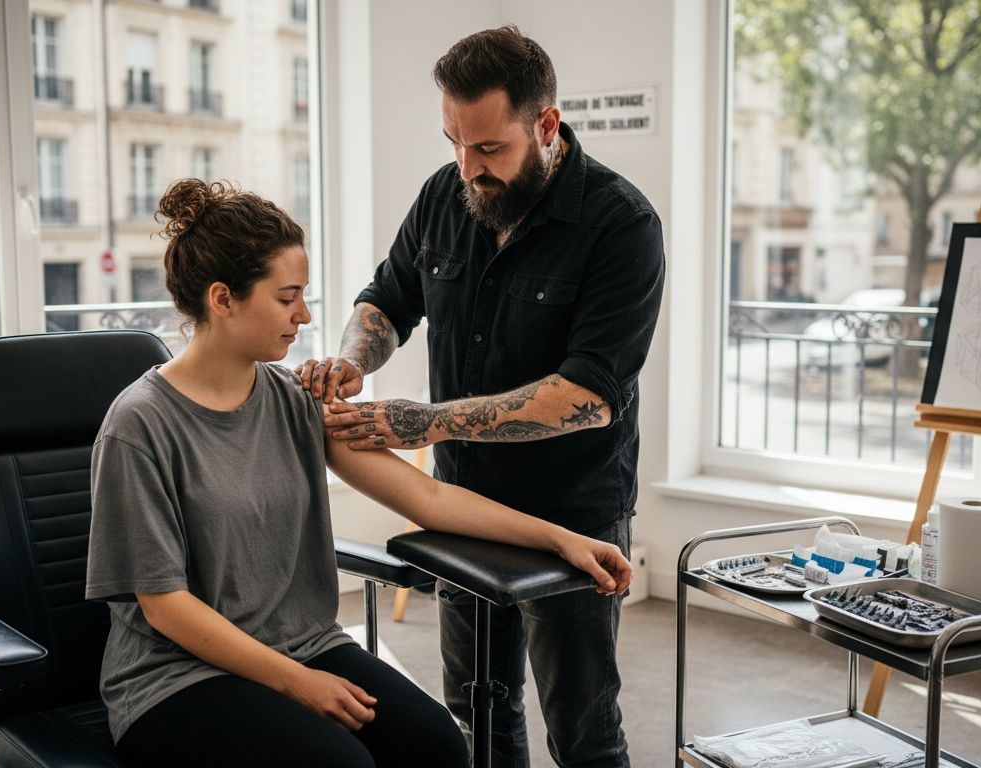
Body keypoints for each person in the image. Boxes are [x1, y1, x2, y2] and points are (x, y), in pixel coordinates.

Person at [84, 179, 631, 768]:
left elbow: (428, 498)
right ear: (222, 298)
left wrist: (564, 539)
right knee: (341, 764)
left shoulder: (295, 399)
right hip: (174, 679)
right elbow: (166, 608)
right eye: (287, 296)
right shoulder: (139, 426)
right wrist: (296, 682)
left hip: (304, 646)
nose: (305, 315)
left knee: (440, 745)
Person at [295, 25, 664, 768]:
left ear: (547, 126)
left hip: (574, 509)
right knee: (477, 712)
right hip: (462, 503)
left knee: (583, 729)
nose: (470, 168)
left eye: (489, 148)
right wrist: (351, 359)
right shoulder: (447, 194)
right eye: (455, 144)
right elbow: (388, 299)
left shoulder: (622, 225)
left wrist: (426, 423)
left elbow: (590, 395)